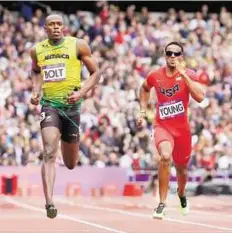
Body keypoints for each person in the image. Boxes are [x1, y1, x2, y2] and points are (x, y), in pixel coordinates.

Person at [30, 14, 99, 219]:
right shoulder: (37, 50)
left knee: (70, 163)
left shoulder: (78, 45)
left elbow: (96, 73)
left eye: (59, 24)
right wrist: (36, 90)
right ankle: (49, 202)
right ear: (45, 28)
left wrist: (80, 93)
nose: (56, 27)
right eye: (52, 24)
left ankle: (67, 145)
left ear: (64, 27)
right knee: (49, 151)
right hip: (50, 105)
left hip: (71, 108)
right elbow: (35, 71)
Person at [137, 41, 205, 220]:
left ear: (181, 56)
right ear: (165, 55)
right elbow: (144, 88)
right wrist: (143, 110)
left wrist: (185, 77)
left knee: (182, 170)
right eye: (169, 53)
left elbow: (200, 97)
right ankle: (162, 204)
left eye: (176, 54)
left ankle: (181, 194)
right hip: (162, 126)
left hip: (182, 130)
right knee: (165, 157)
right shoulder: (155, 75)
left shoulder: (188, 74)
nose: (173, 56)